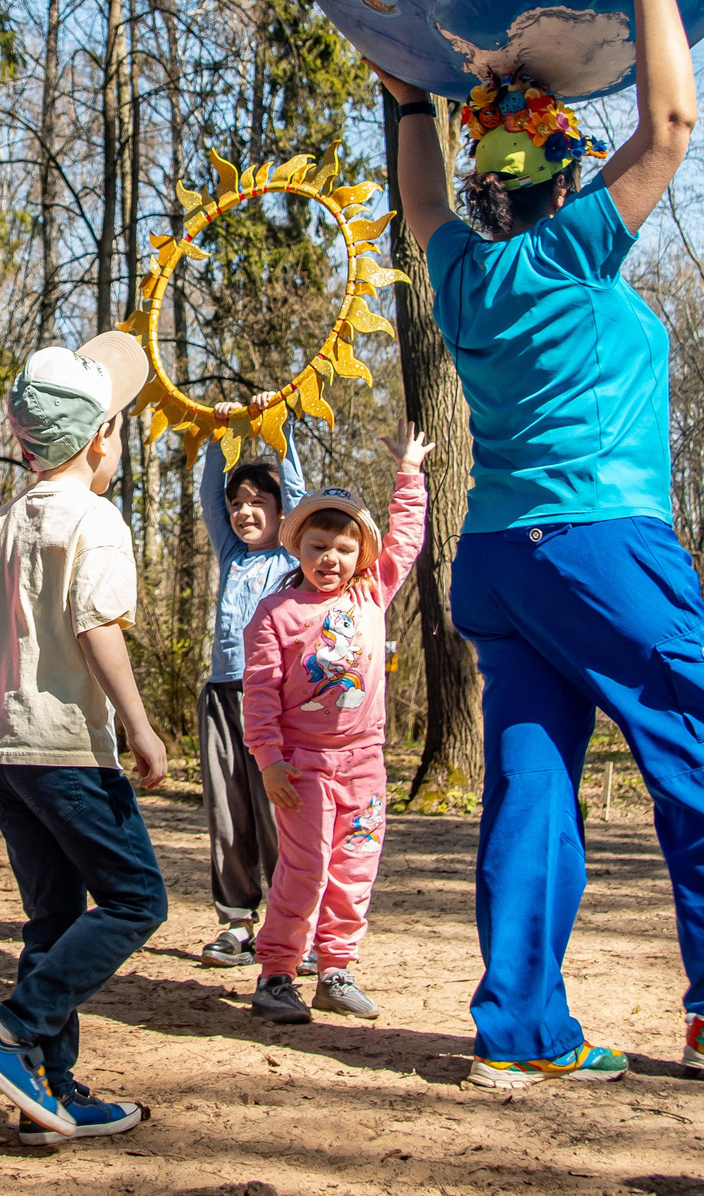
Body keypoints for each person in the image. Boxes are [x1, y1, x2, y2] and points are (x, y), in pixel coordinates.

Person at [379, 0, 704, 1088]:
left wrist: (404, 90)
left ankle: (521, 1029)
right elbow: (669, 126)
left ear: (486, 187)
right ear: (563, 179)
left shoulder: (462, 273)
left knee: (529, 785)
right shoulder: (569, 249)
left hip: (501, 562)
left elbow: (417, 197)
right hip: (600, 542)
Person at [0, 334, 167, 1145]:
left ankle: (46, 1092)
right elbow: (96, 625)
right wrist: (140, 729)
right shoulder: (96, 519)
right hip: (69, 751)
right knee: (136, 900)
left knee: (51, 919)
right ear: (99, 439)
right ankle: (12, 1032)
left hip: (4, 751)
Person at [241, 423, 430, 1027]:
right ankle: (276, 973)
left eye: (344, 549)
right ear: (299, 549)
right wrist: (269, 760)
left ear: (361, 557)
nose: (331, 558)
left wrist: (410, 476)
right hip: (302, 765)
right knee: (305, 867)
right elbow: (261, 695)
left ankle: (337, 969)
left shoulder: (370, 595)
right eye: (319, 546)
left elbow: (405, 540)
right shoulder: (276, 614)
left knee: (355, 865)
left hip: (365, 763)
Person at [195, 440, 306, 968]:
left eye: (258, 501)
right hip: (221, 694)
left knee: (277, 813)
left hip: (276, 702)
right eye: (238, 502)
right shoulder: (231, 555)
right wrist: (219, 439)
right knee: (228, 812)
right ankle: (237, 923)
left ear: (281, 512)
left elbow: (302, 492)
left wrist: (281, 430)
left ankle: (293, 925)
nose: (244, 511)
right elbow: (208, 501)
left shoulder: (292, 555)